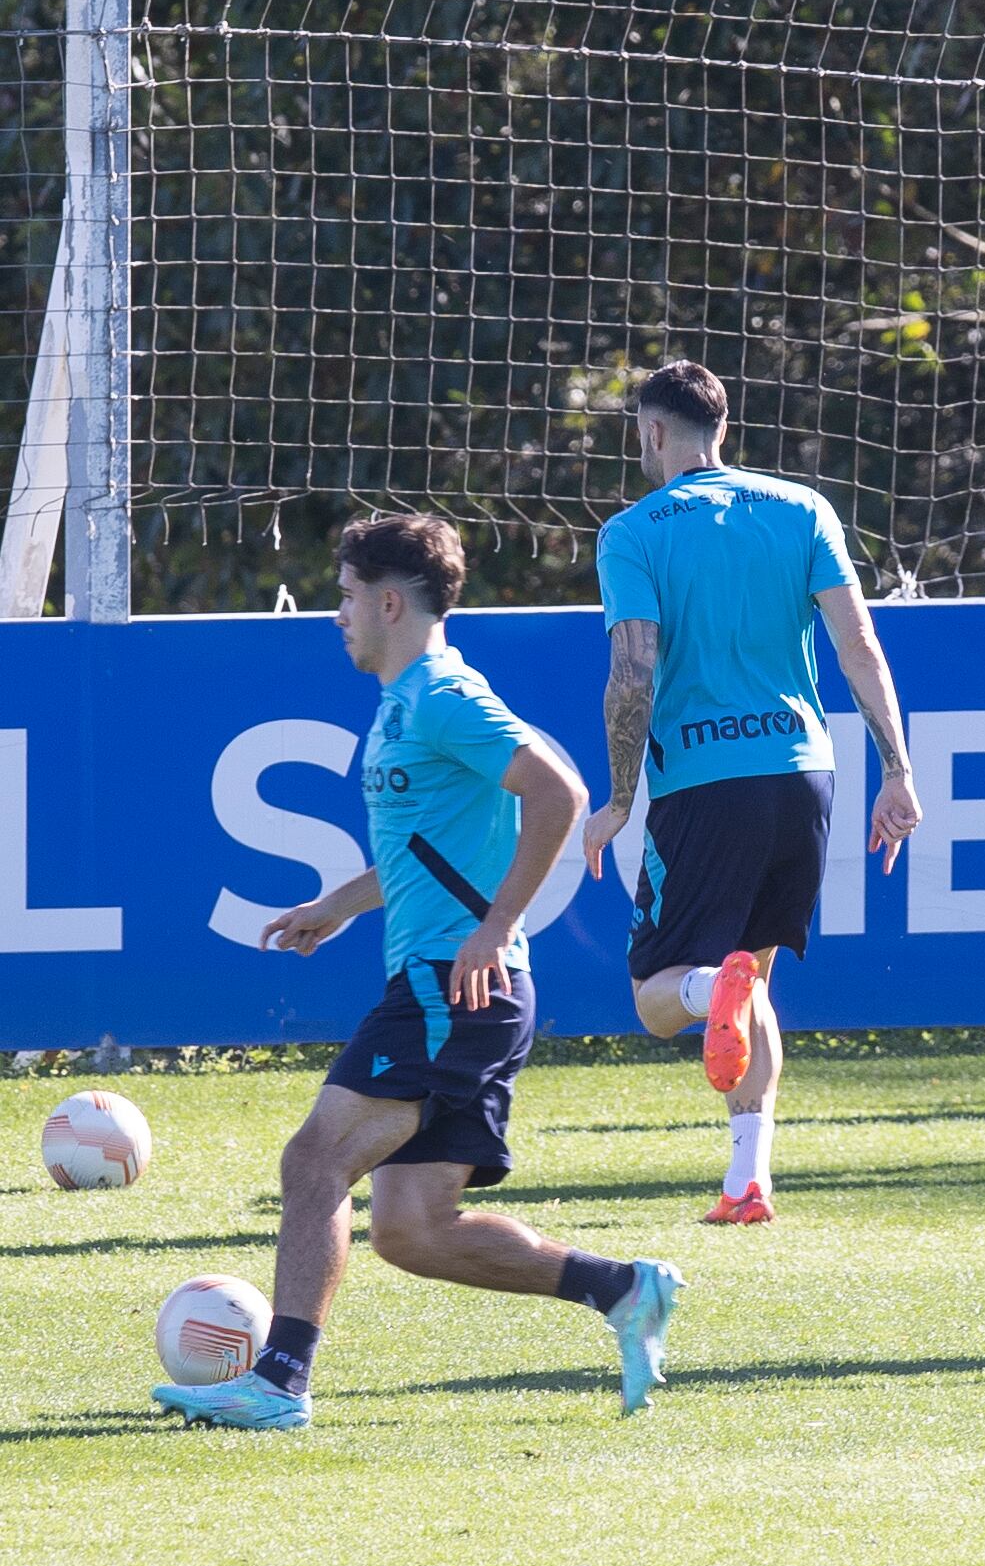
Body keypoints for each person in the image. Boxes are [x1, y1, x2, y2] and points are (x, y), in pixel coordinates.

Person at [155, 516, 682, 1429]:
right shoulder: (408, 698)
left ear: (391, 600)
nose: (339, 615)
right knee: (412, 1229)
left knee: (313, 1159)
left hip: (453, 987)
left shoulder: (439, 692)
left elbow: (558, 792)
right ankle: (624, 1289)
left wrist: (495, 927)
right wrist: (340, 903)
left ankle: (278, 1381)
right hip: (459, 987)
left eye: (349, 595)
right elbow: (423, 849)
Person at [582, 360, 925, 1224]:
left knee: (663, 995)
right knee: (752, 973)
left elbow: (634, 671)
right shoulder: (802, 507)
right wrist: (898, 769)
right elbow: (860, 647)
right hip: (803, 772)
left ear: (655, 433)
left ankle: (712, 997)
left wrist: (621, 795)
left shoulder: (633, 531)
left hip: (704, 780)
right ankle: (747, 1181)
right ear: (723, 427)